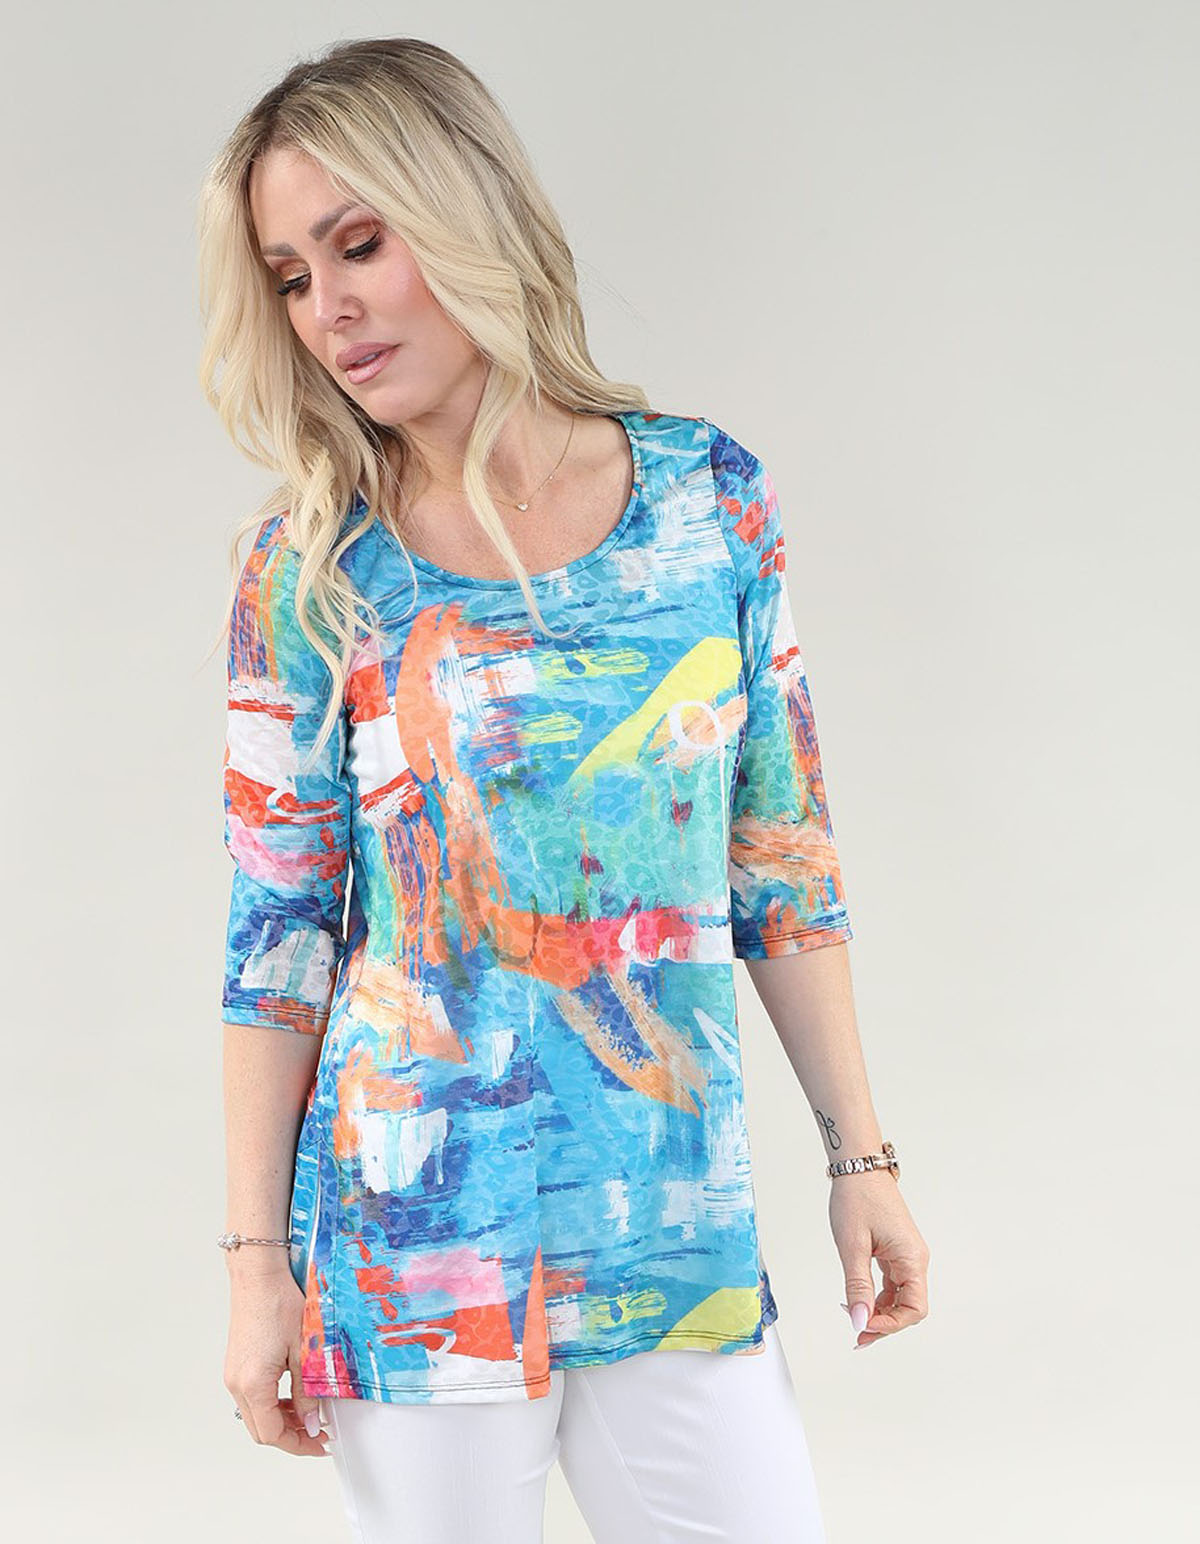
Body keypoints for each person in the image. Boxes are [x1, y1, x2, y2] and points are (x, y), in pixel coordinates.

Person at [198, 35, 930, 1544]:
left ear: (464, 215)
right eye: (290, 275)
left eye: (359, 244)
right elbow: (278, 942)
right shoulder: (311, 571)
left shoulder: (706, 499)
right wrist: (256, 1267)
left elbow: (780, 860)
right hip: (419, 1241)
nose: (328, 309)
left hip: (671, 1221)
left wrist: (861, 1158)